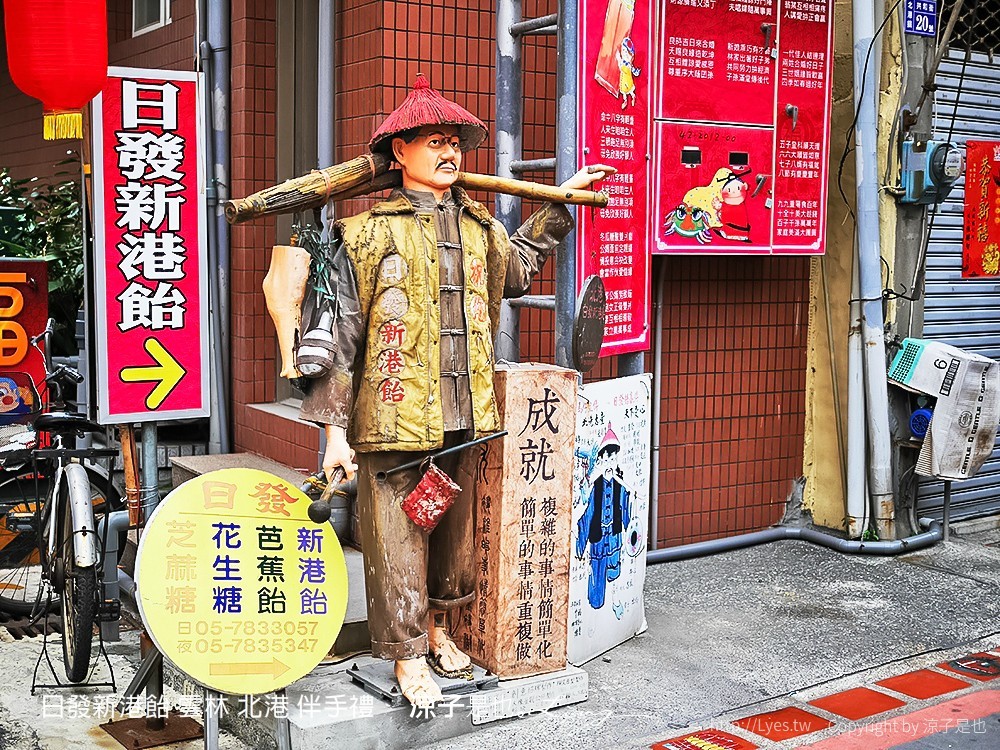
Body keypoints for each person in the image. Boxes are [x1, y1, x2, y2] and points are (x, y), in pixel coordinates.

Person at [298, 74, 613, 708]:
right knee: (394, 538)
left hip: (465, 413)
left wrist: (560, 206)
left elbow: (518, 270)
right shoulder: (360, 235)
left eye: (456, 142)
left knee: (450, 533)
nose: (450, 152)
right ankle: (406, 657)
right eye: (435, 141)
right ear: (398, 154)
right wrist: (334, 432)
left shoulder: (479, 229)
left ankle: (438, 629)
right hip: (390, 420)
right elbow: (336, 336)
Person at [576, 425, 632, 609]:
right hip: (598, 535)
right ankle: (596, 602)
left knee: (614, 571)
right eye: (608, 457)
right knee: (598, 570)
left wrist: (629, 523)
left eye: (614, 457)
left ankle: (616, 602)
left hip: (614, 533)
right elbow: (586, 509)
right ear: (600, 458)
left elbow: (625, 508)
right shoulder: (595, 483)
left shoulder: (619, 483)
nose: (611, 461)